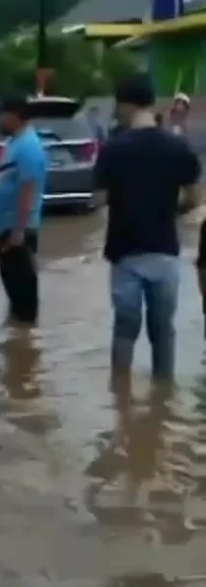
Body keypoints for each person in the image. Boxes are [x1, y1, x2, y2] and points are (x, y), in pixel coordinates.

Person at [94, 73, 201, 379]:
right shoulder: (177, 147)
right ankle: (162, 398)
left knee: (125, 329)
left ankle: (120, 399)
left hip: (124, 252)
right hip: (165, 251)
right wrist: (166, 210)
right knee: (163, 331)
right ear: (152, 103)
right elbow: (194, 199)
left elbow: (99, 200)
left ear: (123, 105)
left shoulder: (113, 149)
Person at [0, 95, 47, 326]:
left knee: (23, 297)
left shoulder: (29, 146)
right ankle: (17, 346)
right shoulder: (14, 143)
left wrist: (19, 231)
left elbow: (28, 189)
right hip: (7, 230)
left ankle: (26, 349)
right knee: (13, 290)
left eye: (1, 114)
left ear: (15, 115)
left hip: (18, 232)